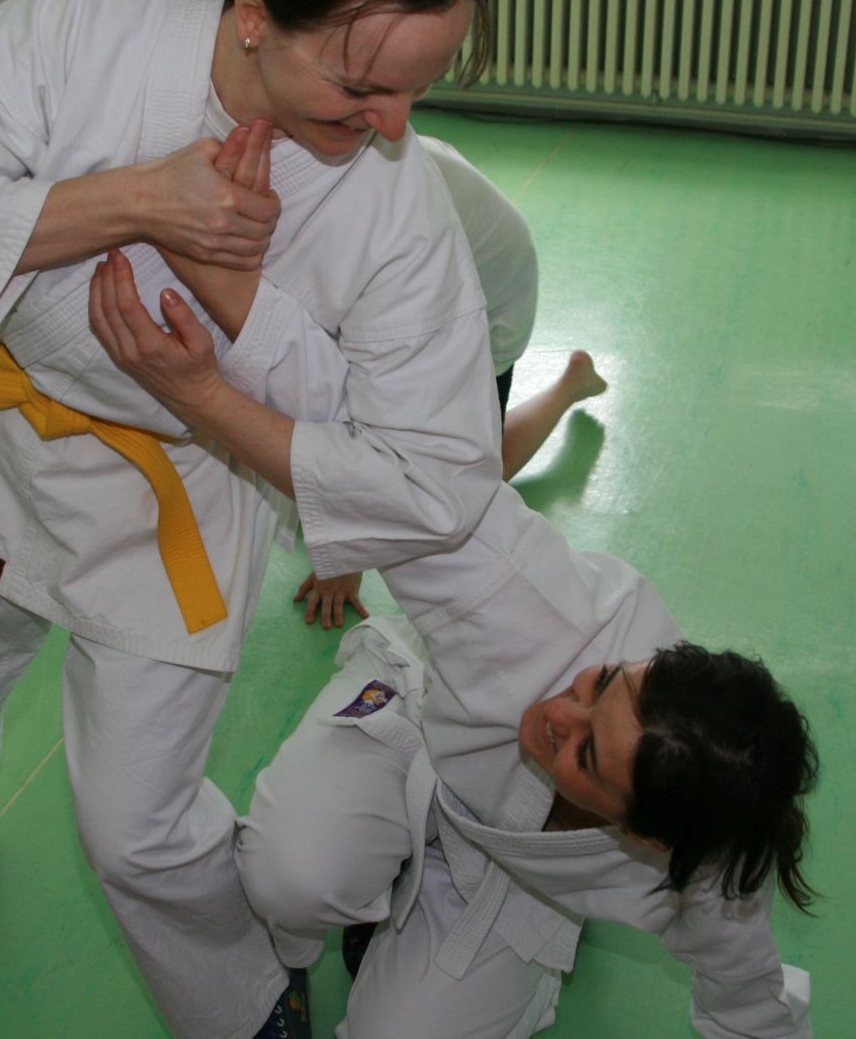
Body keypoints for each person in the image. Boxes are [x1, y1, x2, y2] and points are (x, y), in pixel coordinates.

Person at [0, 0, 501, 1039]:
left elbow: (431, 469)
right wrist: (140, 199)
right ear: (252, 13)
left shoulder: (391, 200)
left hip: (178, 482)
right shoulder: (89, 21)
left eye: (418, 88)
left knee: (132, 823)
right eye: (362, 86)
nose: (394, 122)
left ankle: (242, 997)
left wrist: (225, 324)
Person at [88, 241, 814, 1038]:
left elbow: (748, 1000)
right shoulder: (537, 607)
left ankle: (441, 918)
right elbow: (382, 462)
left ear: (642, 834)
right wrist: (206, 378)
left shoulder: (707, 877)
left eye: (585, 754)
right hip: (418, 705)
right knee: (289, 878)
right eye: (600, 684)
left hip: (509, 875)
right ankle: (340, 908)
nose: (557, 712)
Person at [294, 138, 607, 629]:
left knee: (464, 482)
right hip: (444, 257)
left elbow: (360, 399)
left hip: (488, 297)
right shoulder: (321, 167)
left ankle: (569, 385)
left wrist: (348, 555)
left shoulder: (363, 209)